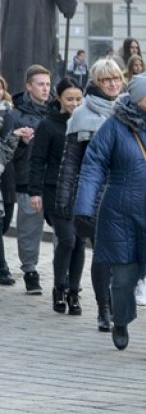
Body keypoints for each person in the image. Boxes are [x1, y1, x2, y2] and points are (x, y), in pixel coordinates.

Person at [73, 73, 146, 360]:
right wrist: (83, 208)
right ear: (136, 99)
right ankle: (120, 319)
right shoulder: (114, 127)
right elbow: (93, 165)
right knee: (122, 279)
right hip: (119, 213)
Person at [55, 58, 124, 330]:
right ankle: (104, 308)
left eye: (116, 78)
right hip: (94, 194)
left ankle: (118, 302)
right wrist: (65, 199)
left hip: (124, 192)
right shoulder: (81, 116)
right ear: (96, 82)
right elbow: (70, 162)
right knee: (103, 254)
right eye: (106, 80)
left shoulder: (129, 108)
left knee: (123, 256)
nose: (112, 84)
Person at [27, 78, 83, 313]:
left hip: (81, 191)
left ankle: (74, 291)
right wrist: (35, 192)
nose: (74, 103)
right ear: (59, 99)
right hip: (54, 191)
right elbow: (37, 160)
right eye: (69, 99)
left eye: (79, 99)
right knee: (67, 239)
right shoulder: (49, 125)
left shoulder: (85, 123)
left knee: (79, 241)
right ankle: (59, 288)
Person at [1, 64, 53, 295]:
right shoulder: (15, 115)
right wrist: (21, 143)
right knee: (29, 229)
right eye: (40, 84)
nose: (45, 88)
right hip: (25, 179)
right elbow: (6, 153)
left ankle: (64, 276)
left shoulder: (56, 111)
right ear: (28, 87)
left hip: (53, 180)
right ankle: (30, 271)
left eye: (48, 84)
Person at [0, 74, 19, 286]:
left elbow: (9, 145)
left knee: (5, 223)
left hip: (6, 176)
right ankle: (3, 267)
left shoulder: (10, 113)